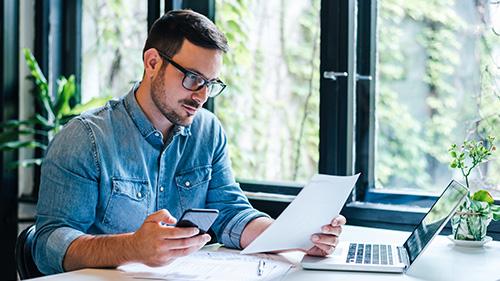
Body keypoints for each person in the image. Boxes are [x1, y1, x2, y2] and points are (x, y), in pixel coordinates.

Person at [32, 9, 346, 275]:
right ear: (153, 63)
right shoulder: (86, 138)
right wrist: (131, 247)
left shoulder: (208, 132)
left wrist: (296, 236)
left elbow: (229, 212)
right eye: (193, 78)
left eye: (211, 84)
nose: (201, 96)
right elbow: (47, 245)